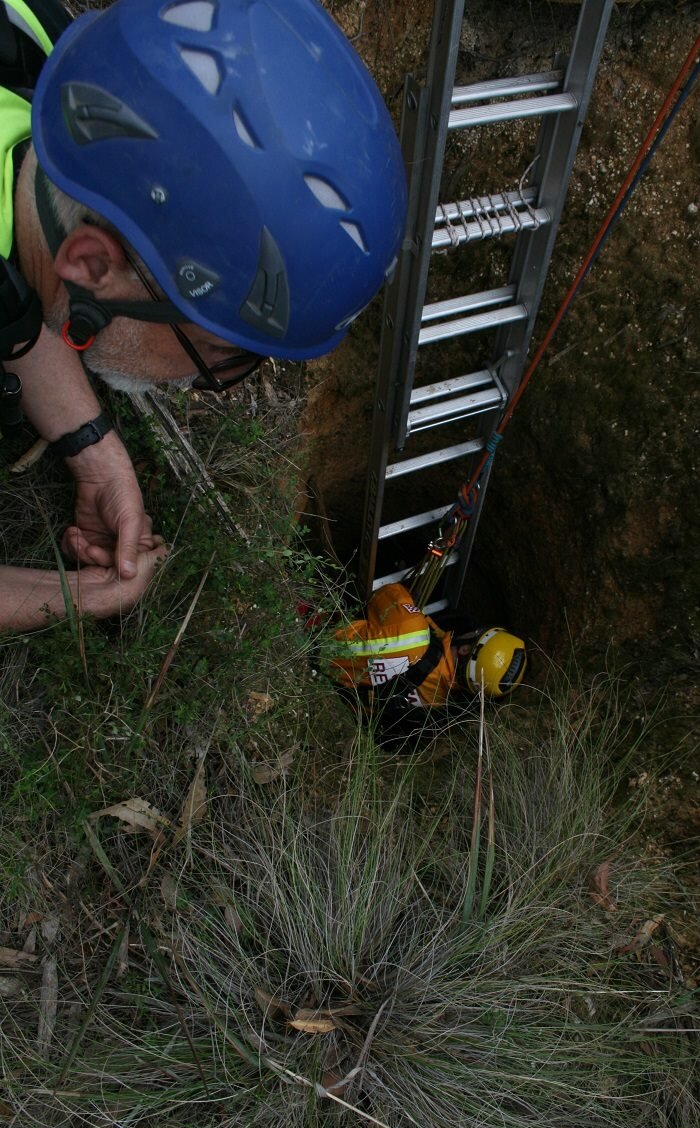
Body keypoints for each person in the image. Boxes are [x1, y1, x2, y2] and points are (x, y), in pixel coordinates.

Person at [0, 0, 407, 631]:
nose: (198, 385)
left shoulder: (47, 48)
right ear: (92, 264)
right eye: (216, 356)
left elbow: (16, 307)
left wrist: (96, 452)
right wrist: (89, 598)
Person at [327, 582, 527, 743]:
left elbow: (384, 592)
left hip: (320, 642)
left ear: (466, 649)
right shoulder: (435, 706)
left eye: (476, 633)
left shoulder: (413, 631)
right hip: (335, 696)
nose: (471, 629)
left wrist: (418, 618)